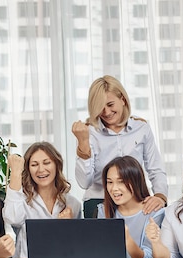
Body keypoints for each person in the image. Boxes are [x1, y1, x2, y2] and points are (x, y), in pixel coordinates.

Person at [72, 75, 168, 218]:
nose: (106, 112)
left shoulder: (141, 128)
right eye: (100, 107)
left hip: (135, 202)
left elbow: (155, 168)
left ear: (122, 99)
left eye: (110, 105)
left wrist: (161, 196)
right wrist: (83, 144)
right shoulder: (88, 133)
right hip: (100, 202)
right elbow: (85, 183)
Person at [3, 141, 81, 258]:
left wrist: (68, 226)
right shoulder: (21, 200)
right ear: (28, 169)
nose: (41, 169)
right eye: (34, 165)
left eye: (47, 163)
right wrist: (15, 173)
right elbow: (12, 218)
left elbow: (79, 244)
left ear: (56, 164)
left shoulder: (73, 204)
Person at [97, 155, 164, 258]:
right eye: (110, 182)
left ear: (136, 182)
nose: (114, 188)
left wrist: (127, 240)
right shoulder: (103, 211)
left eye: (121, 182)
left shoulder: (154, 212)